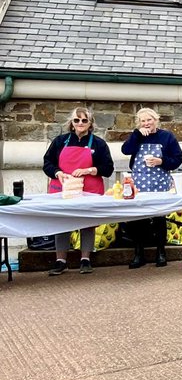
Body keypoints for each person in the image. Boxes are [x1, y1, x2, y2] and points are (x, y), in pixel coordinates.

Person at [42, 107, 114, 276]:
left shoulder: (99, 144)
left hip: (89, 189)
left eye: (84, 120)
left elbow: (108, 168)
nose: (80, 123)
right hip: (63, 187)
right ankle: (60, 260)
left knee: (87, 222)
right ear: (71, 123)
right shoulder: (60, 141)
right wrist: (57, 172)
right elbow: (47, 163)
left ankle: (85, 259)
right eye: (77, 120)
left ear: (90, 124)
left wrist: (90, 170)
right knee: (61, 222)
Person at [121, 107, 182, 268]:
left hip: (159, 182)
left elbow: (178, 158)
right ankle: (138, 253)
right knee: (138, 218)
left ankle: (161, 252)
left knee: (159, 218)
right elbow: (125, 150)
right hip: (139, 183)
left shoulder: (166, 137)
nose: (146, 123)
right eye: (143, 121)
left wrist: (161, 161)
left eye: (149, 119)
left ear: (156, 120)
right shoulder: (137, 136)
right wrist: (136, 135)